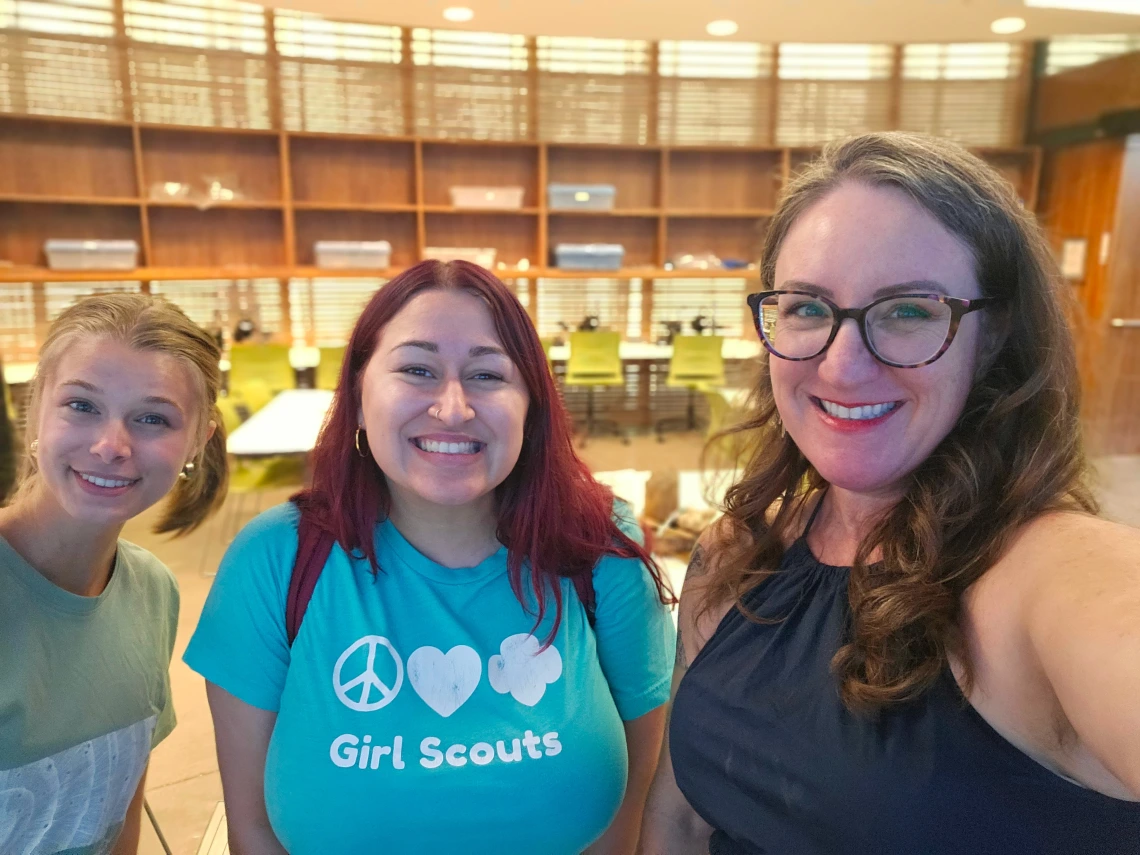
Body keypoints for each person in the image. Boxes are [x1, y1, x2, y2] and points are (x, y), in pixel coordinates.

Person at [640, 132, 1140, 854]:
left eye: (907, 310)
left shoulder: (1043, 578)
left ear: (991, 334)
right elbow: (681, 816)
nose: (843, 368)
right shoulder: (735, 554)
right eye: (808, 307)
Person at [185, 260, 676, 854]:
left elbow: (639, 808)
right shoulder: (276, 560)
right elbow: (255, 830)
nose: (452, 407)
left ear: (532, 407)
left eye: (488, 375)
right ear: (359, 399)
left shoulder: (602, 549)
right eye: (416, 370)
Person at [0, 293, 228, 854]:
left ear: (198, 440)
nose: (111, 446)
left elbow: (117, 815)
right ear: (35, 411)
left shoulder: (152, 592)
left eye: (152, 418)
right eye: (82, 406)